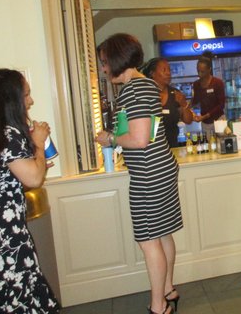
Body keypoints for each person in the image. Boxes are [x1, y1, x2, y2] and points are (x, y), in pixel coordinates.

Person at [95, 33, 181, 314]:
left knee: (148, 240)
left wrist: (110, 139)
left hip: (149, 174)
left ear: (117, 59)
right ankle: (168, 289)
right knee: (163, 233)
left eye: (105, 62)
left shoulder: (134, 89)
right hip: (160, 168)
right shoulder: (145, 86)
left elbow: (140, 139)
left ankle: (159, 306)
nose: (104, 69)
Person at [0, 68, 59, 313]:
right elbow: (35, 179)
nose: (30, 101)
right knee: (18, 292)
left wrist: (32, 162)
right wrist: (38, 144)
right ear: (10, 100)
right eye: (26, 95)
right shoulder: (8, 133)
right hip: (0, 235)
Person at [142, 57, 193, 148]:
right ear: (152, 74)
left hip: (173, 147)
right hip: (152, 150)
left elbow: (188, 120)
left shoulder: (175, 94)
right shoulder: (145, 95)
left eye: (169, 70)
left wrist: (183, 104)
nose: (168, 73)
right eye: (164, 70)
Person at [191, 55, 226, 134]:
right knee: (208, 145)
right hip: (205, 122)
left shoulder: (217, 83)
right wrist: (189, 110)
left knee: (222, 143)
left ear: (209, 70)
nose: (199, 74)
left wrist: (206, 115)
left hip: (219, 119)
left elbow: (221, 105)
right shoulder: (196, 84)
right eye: (198, 71)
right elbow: (195, 101)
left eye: (202, 72)